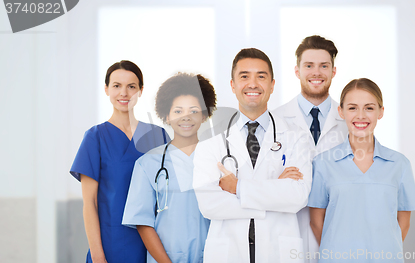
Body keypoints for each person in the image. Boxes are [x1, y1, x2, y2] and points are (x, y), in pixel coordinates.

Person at [193, 48, 312, 263]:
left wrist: (238, 187)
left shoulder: (296, 137)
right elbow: (209, 204)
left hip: (279, 252)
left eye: (261, 76)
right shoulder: (211, 140)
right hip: (228, 253)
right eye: (244, 76)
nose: (253, 84)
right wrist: (275, 191)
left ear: (272, 85)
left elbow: (297, 196)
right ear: (232, 85)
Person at [308, 78, 415, 262]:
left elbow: (404, 223)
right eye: (352, 108)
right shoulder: (323, 163)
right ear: (341, 111)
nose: (360, 115)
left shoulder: (399, 164)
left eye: (369, 108)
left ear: (380, 112)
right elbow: (316, 222)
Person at [70, 60, 170, 263]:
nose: (124, 93)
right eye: (116, 86)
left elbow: (171, 194)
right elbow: (90, 202)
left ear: (141, 90)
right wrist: (98, 255)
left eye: (131, 86)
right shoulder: (95, 137)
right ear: (106, 89)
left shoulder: (157, 136)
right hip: (110, 244)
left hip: (154, 243)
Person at [122, 73, 216, 263]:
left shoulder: (219, 160)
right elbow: (143, 223)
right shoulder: (148, 164)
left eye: (194, 111)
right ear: (166, 115)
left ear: (205, 115)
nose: (186, 118)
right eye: (178, 111)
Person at [274, 35, 348, 262]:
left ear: (333, 71)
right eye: (309, 66)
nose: (316, 73)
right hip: (288, 228)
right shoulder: (274, 120)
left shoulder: (350, 121)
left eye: (324, 66)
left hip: (337, 227)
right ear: (297, 71)